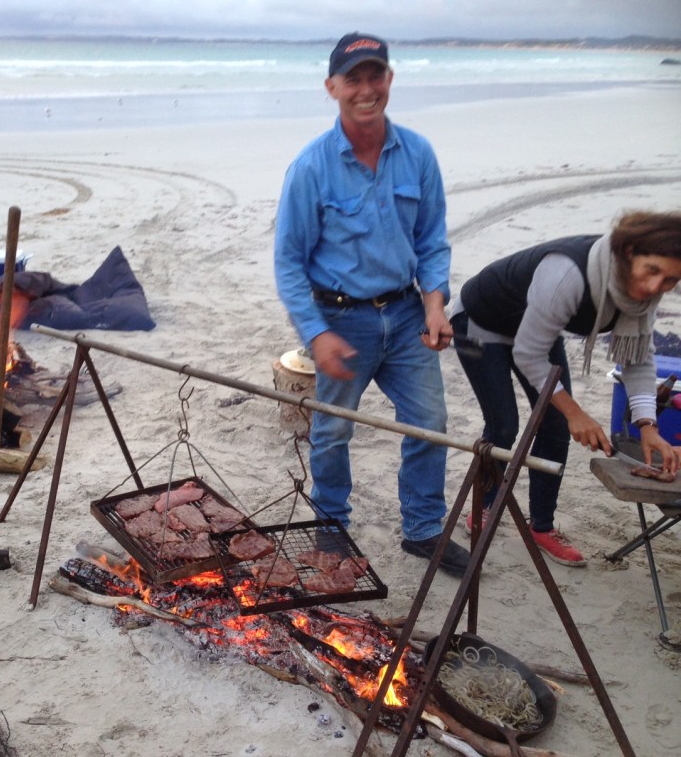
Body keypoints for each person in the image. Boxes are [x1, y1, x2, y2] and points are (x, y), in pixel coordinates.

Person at [274, 33, 470, 577]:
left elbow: (432, 241)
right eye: (353, 78)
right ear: (332, 87)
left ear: (389, 79)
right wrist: (317, 333)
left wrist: (435, 303)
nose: (366, 89)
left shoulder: (418, 153)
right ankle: (331, 527)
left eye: (375, 75)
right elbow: (289, 263)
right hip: (340, 318)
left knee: (430, 423)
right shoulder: (310, 168)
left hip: (408, 314)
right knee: (334, 431)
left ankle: (424, 531)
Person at [450, 211, 681, 566]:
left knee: (555, 427)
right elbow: (529, 354)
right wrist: (576, 412)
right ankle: (485, 504)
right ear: (629, 251)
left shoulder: (642, 299)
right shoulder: (567, 274)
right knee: (504, 425)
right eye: (652, 271)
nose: (655, 288)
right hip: (480, 320)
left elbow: (638, 360)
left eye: (670, 280)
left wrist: (648, 425)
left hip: (536, 328)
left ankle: (540, 526)